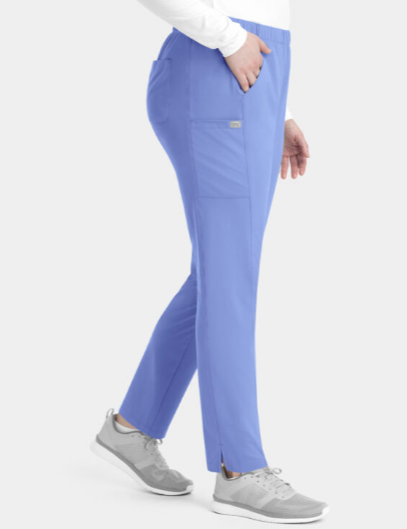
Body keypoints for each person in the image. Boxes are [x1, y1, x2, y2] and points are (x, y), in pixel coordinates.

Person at [91, 0, 329, 523]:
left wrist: (281, 108)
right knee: (228, 282)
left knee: (219, 277)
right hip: (215, 68)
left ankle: (132, 427)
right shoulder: (226, 40)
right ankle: (239, 469)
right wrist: (228, 37)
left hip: (254, 75)